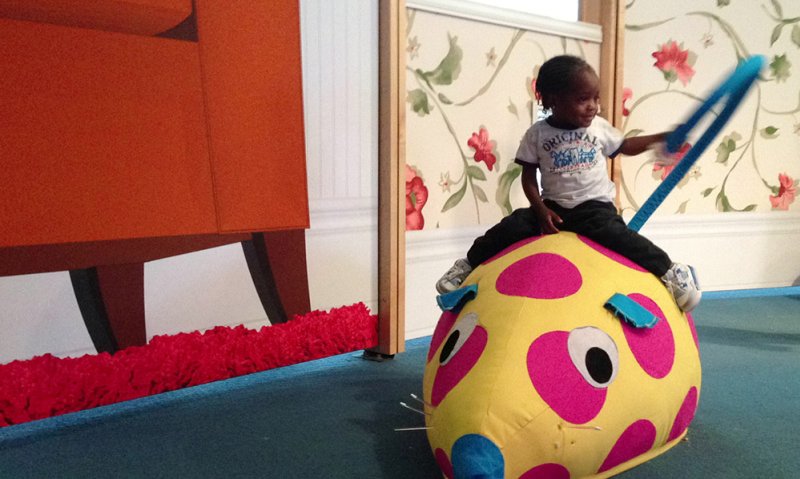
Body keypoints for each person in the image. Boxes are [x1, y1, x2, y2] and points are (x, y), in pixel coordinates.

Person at [435, 55, 701, 312]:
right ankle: (466, 266)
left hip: (595, 209)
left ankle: (671, 271)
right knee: (511, 226)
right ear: (553, 99)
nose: (593, 106)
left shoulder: (598, 127)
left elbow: (625, 146)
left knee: (623, 239)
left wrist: (660, 137)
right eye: (583, 99)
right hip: (553, 209)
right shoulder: (537, 134)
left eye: (595, 98)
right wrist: (540, 210)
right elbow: (528, 177)